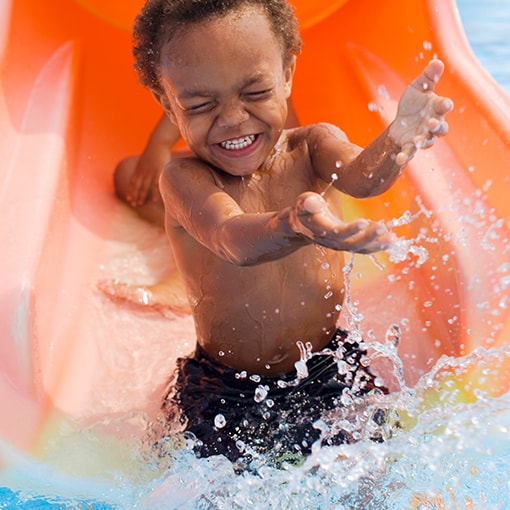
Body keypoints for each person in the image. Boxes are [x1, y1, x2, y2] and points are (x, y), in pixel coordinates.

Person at [131, 0, 453, 463]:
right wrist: (293, 225)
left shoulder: (312, 146)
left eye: (256, 91)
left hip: (327, 366)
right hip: (225, 388)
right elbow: (229, 237)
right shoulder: (184, 179)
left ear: (287, 72)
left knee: (386, 471)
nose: (233, 119)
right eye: (200, 105)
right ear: (167, 102)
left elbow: (364, 175)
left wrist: (397, 139)